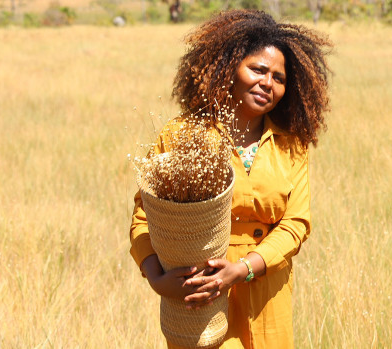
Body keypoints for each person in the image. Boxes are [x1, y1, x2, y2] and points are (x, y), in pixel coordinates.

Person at [130, 9, 332, 348]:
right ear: (229, 68)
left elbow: (296, 224)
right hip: (201, 294)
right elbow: (144, 215)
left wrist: (242, 270)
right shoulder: (183, 136)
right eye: (257, 69)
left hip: (268, 291)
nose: (267, 82)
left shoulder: (291, 145)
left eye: (279, 78)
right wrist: (157, 278)